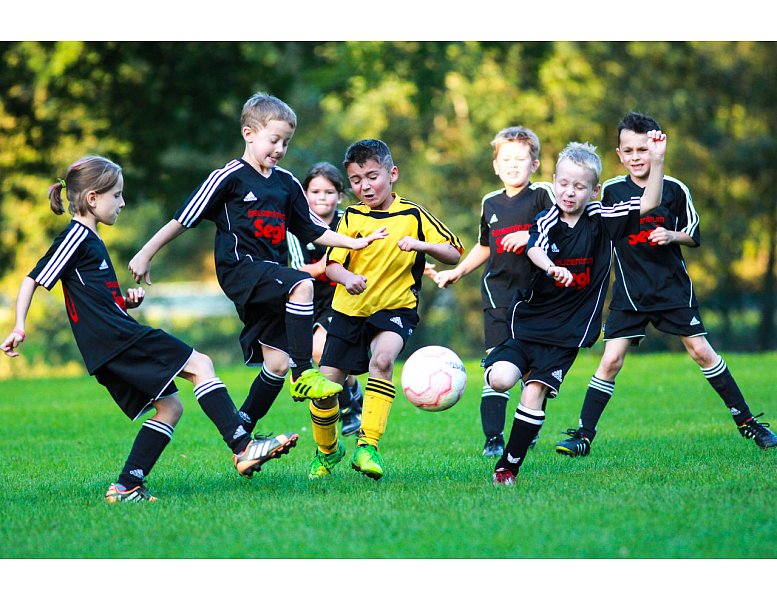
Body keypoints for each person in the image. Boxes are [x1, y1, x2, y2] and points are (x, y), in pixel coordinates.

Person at [1, 156, 299, 503]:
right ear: (93, 199)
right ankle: (243, 445)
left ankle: (126, 486)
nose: (123, 203)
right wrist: (19, 326)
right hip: (117, 338)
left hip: (108, 342)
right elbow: (32, 279)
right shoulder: (76, 237)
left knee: (170, 407)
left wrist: (124, 302)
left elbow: (90, 300)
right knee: (200, 364)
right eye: (117, 195)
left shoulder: (90, 239)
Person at [128, 93, 387, 441]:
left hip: (269, 276)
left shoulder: (287, 183)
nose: (280, 148)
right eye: (274, 139)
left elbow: (313, 229)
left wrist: (352, 243)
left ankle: (242, 435)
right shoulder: (229, 177)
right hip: (241, 269)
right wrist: (146, 252)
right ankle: (305, 373)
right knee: (303, 285)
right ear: (249, 134)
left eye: (286, 142)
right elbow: (184, 218)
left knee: (276, 364)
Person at [555, 112, 777, 457]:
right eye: (628, 150)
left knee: (701, 352)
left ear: (655, 148)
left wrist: (672, 235)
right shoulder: (611, 190)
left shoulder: (674, 188)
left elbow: (693, 234)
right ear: (619, 154)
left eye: (642, 149)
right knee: (611, 360)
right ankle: (583, 436)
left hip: (672, 289)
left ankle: (748, 422)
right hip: (630, 292)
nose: (635, 157)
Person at [485, 132, 667, 485]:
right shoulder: (548, 217)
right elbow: (535, 247)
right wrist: (551, 267)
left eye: (580, 187)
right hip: (529, 325)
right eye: (564, 184)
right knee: (500, 379)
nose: (570, 192)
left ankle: (507, 467)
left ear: (594, 191)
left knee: (533, 391)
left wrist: (657, 161)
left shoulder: (603, 218)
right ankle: (526, 387)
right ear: (554, 183)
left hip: (567, 334)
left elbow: (648, 203)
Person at [306, 139, 464, 480]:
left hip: (395, 308)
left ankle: (368, 446)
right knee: (326, 389)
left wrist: (420, 245)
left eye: (372, 176)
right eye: (357, 180)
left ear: (392, 174)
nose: (365, 186)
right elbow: (332, 265)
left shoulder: (413, 215)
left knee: (382, 360)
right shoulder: (350, 217)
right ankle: (327, 451)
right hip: (348, 311)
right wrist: (347, 278)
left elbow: (453, 252)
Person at [433, 126, 554, 457]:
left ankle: (528, 428)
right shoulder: (490, 202)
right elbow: (485, 246)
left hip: (536, 299)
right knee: (496, 368)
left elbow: (560, 230)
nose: (513, 165)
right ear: (496, 165)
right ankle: (493, 439)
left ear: (535, 164)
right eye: (506, 159)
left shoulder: (544, 196)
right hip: (498, 296)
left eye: (521, 159)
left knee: (530, 372)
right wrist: (457, 272)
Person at [287, 161, 364, 436]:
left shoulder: (350, 221)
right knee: (320, 355)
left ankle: (349, 406)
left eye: (329, 192)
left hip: (342, 295)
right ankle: (353, 396)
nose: (322, 197)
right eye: (316, 191)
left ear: (340, 196)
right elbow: (298, 269)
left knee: (320, 350)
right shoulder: (296, 225)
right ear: (305, 194)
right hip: (307, 299)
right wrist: (323, 266)